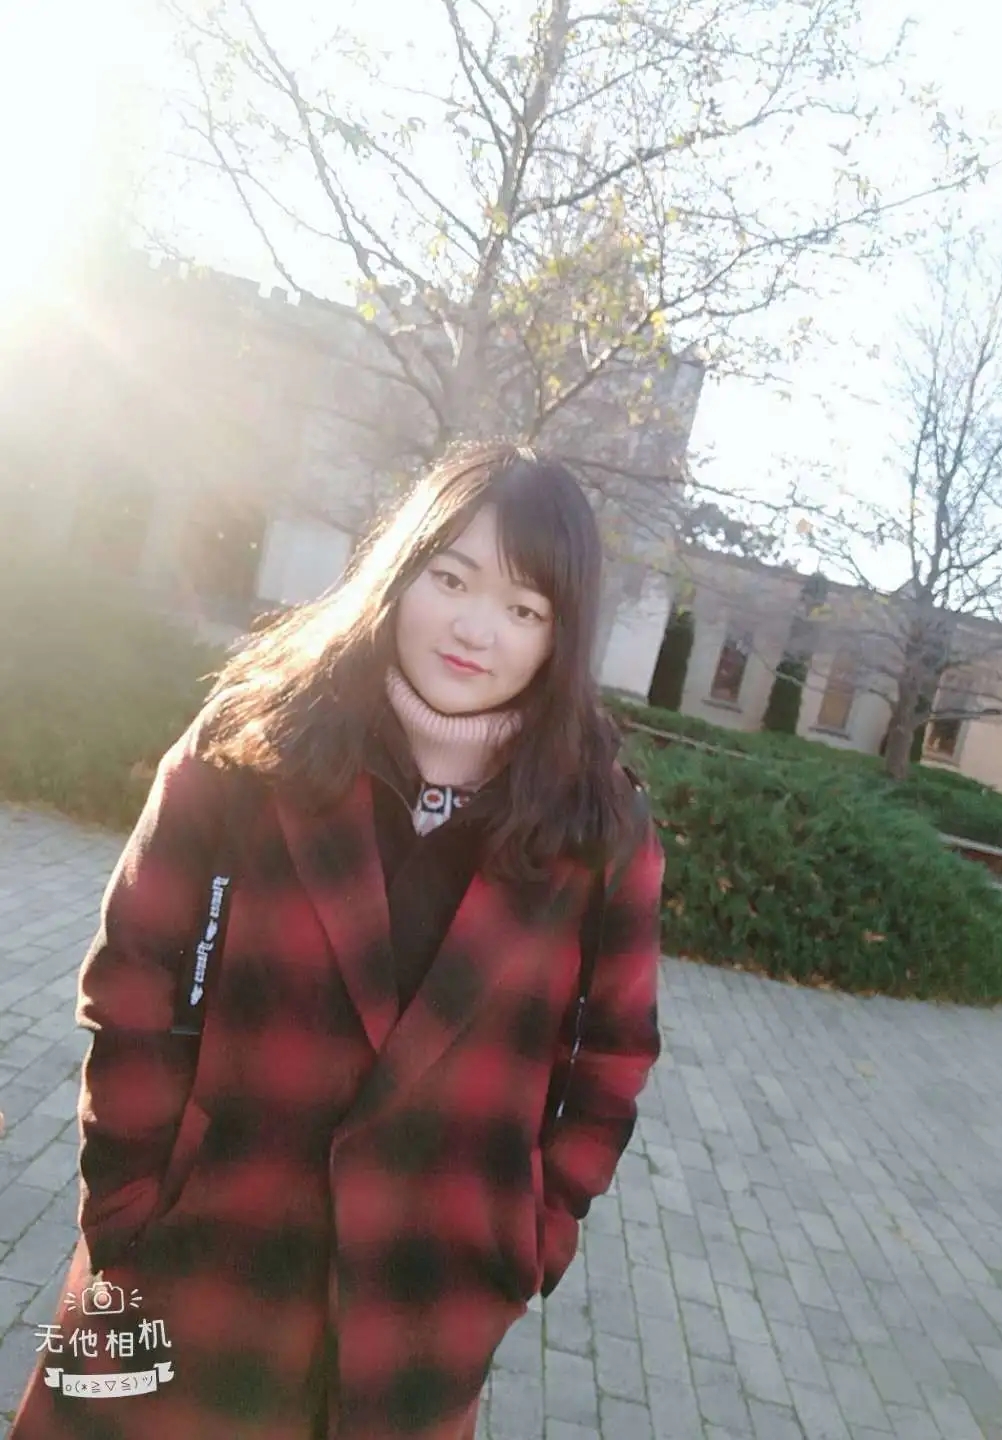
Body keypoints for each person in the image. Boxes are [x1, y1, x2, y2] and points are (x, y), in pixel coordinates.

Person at [11, 439, 665, 1440]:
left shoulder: (598, 826)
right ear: (401, 570)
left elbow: (612, 1056)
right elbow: (134, 969)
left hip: (419, 1307)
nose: (475, 629)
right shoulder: (253, 740)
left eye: (525, 608)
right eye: (452, 578)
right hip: (189, 1258)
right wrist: (131, 1197)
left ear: (558, 637)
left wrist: (532, 1235)